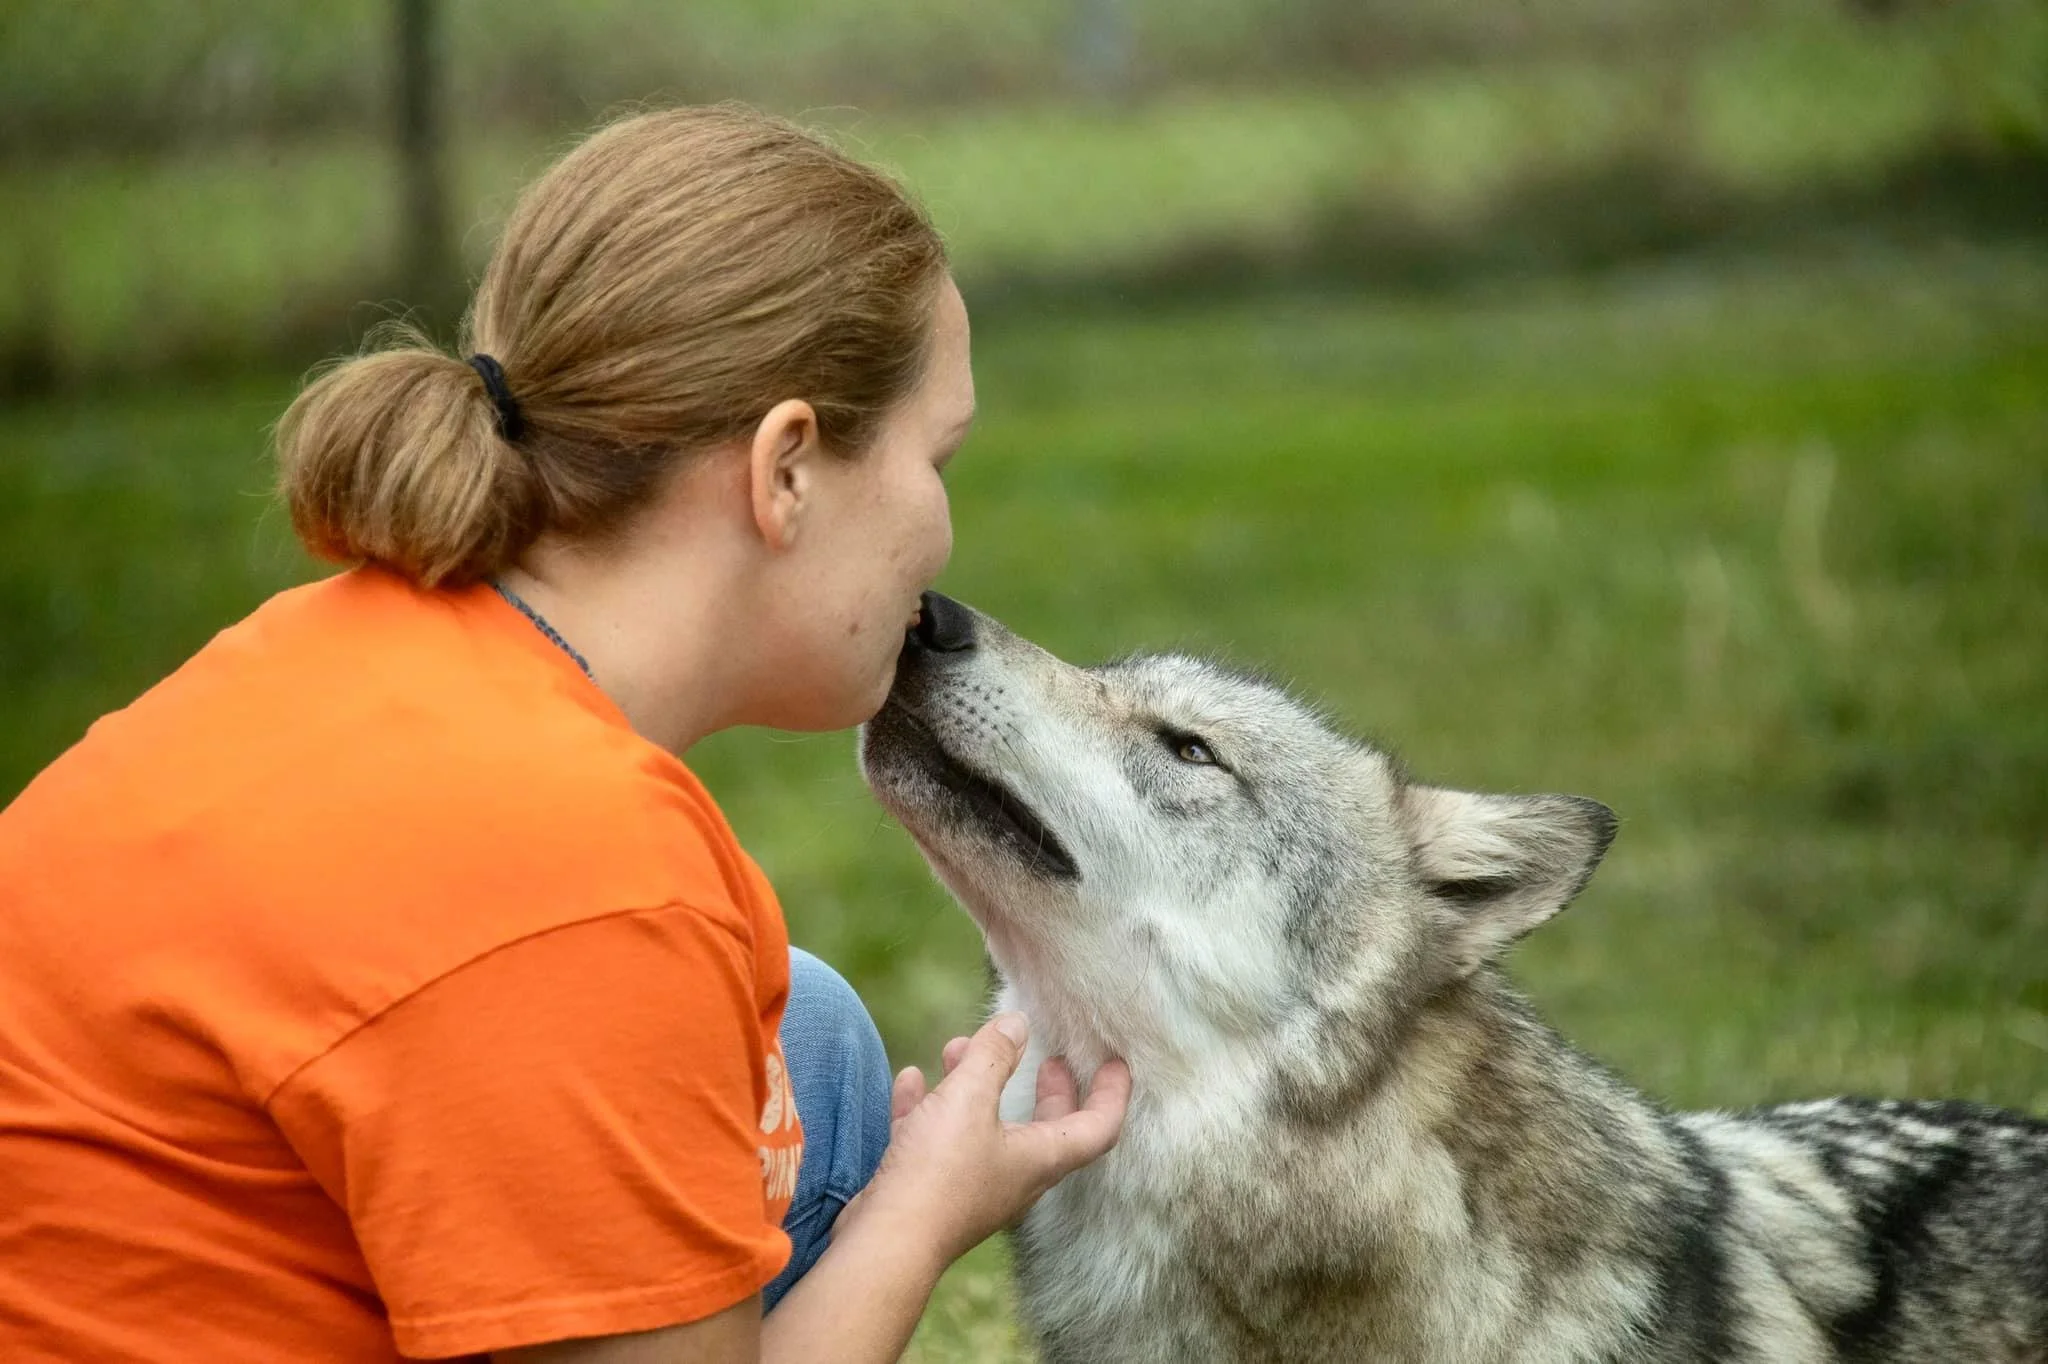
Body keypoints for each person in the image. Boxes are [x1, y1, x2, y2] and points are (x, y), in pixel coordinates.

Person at [0, 104, 1131, 1363]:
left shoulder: (357, 651)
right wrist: (918, 1215)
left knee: (800, 1040)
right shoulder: (580, 882)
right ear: (785, 471)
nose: (941, 532)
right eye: (938, 459)